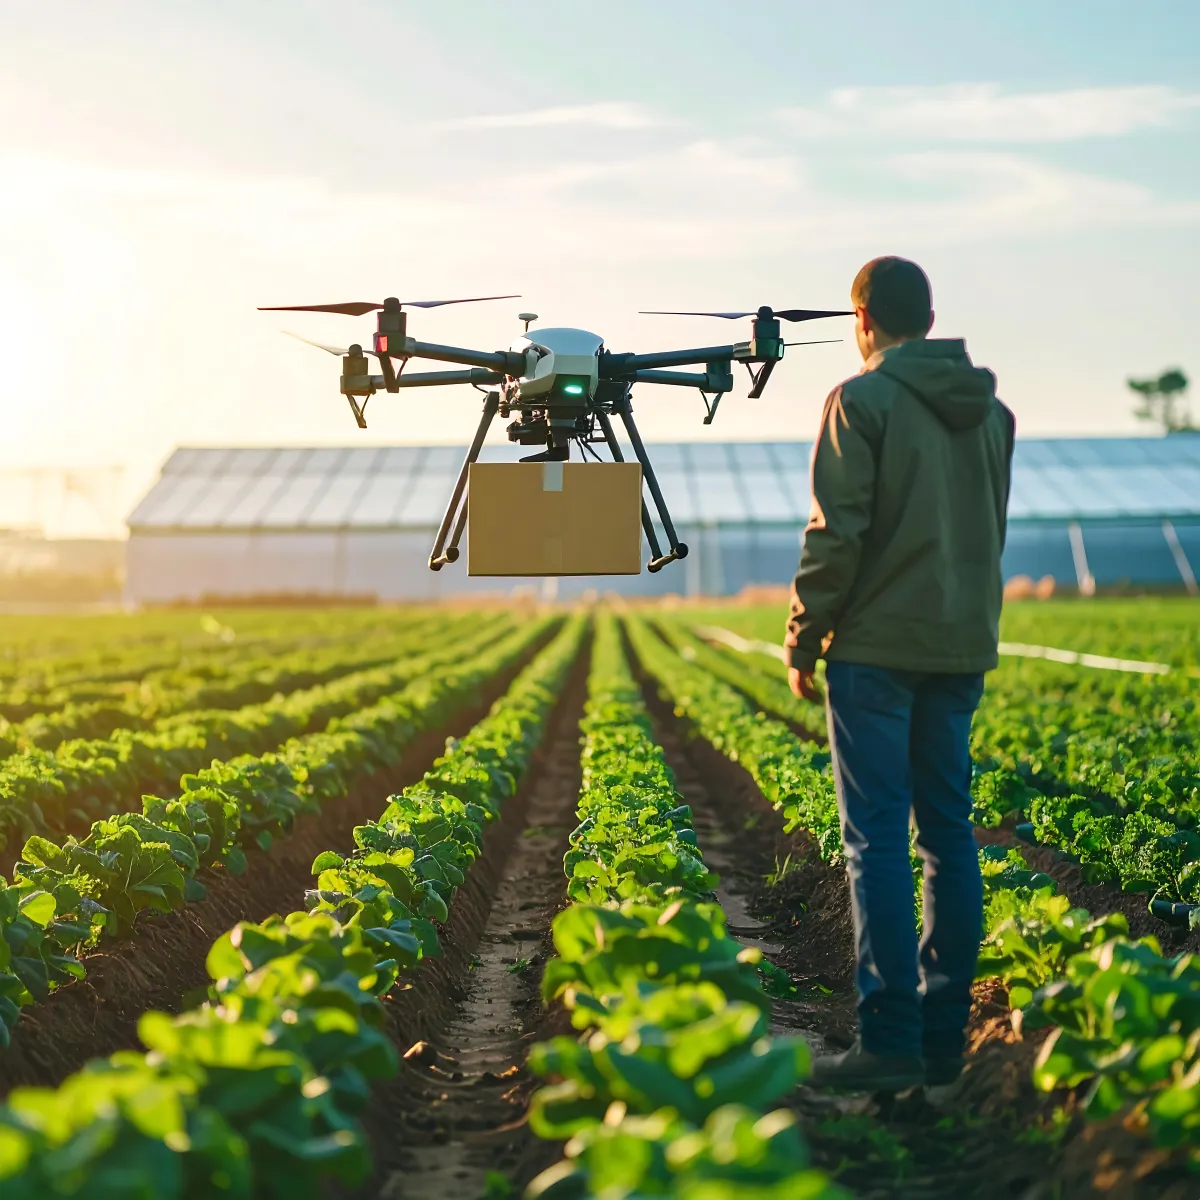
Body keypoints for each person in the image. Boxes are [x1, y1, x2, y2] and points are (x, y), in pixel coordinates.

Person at [784, 255, 1015, 1092]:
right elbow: (989, 527)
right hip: (959, 647)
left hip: (877, 652)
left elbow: (835, 533)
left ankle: (887, 1042)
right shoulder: (992, 411)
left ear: (864, 322)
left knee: (876, 839)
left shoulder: (861, 400)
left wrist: (804, 637)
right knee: (949, 837)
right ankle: (945, 1041)